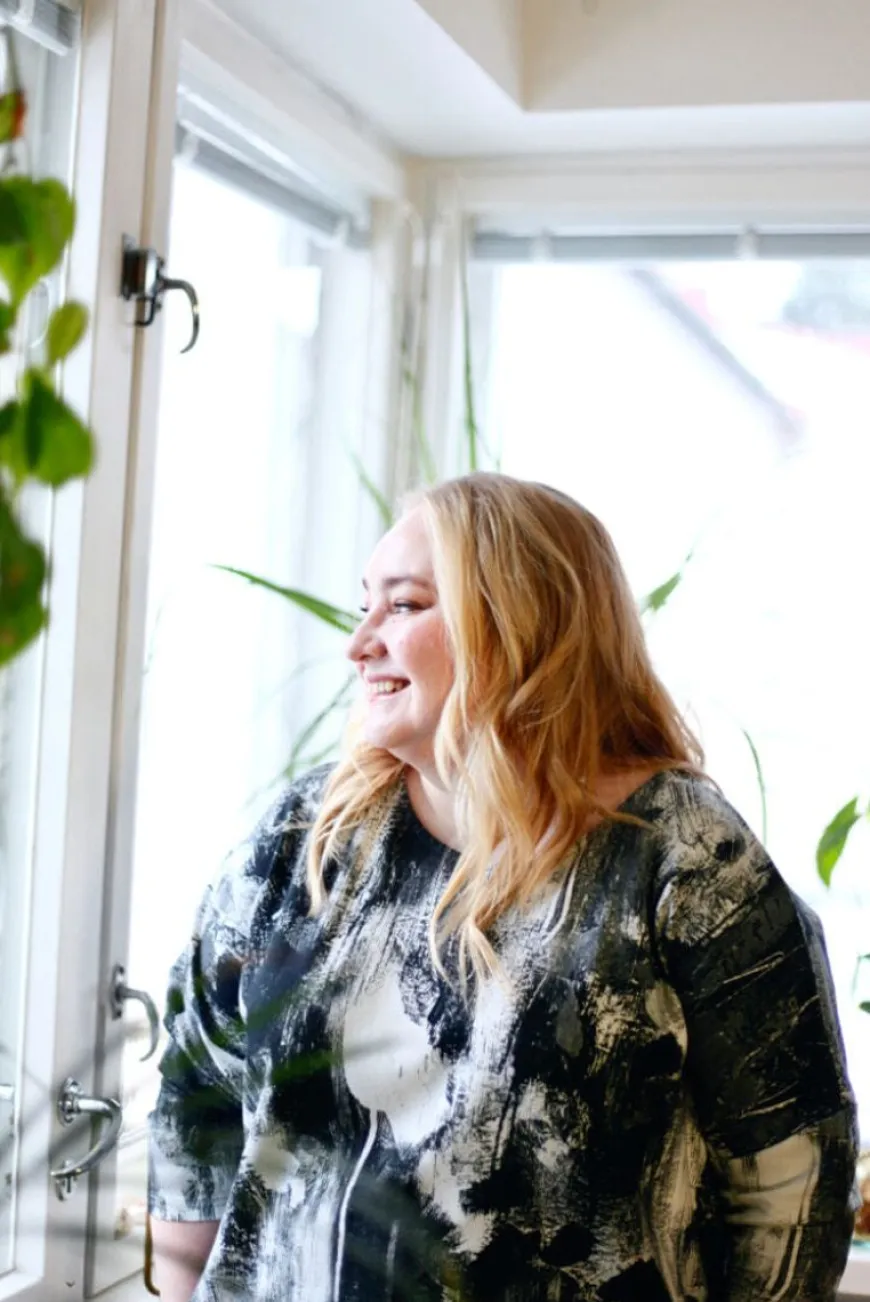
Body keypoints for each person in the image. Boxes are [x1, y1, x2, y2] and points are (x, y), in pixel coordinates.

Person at [148, 472, 858, 1302]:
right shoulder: (302, 841)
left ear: (517, 625)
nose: (360, 643)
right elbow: (193, 1105)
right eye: (365, 605)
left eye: (404, 606)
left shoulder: (691, 862)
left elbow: (791, 1192)